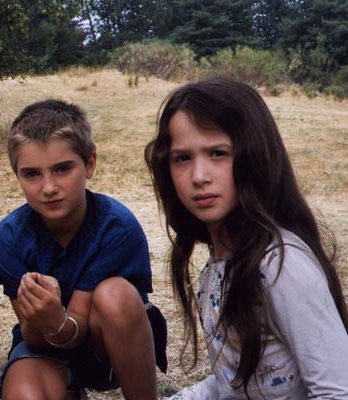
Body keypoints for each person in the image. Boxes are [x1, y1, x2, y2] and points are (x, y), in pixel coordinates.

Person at [145, 77, 348, 399]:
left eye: (218, 153)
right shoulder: (217, 268)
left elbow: (338, 390)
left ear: (255, 155)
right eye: (182, 158)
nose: (199, 177)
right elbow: (235, 381)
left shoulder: (281, 266)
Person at [0, 99, 167, 400]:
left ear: (90, 163)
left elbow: (80, 326)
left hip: (109, 349)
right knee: (25, 393)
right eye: (32, 174)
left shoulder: (116, 226)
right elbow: (32, 336)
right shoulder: (10, 236)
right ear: (16, 174)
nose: (48, 187)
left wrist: (54, 318)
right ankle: (68, 389)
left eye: (62, 169)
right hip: (44, 350)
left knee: (115, 295)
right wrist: (42, 319)